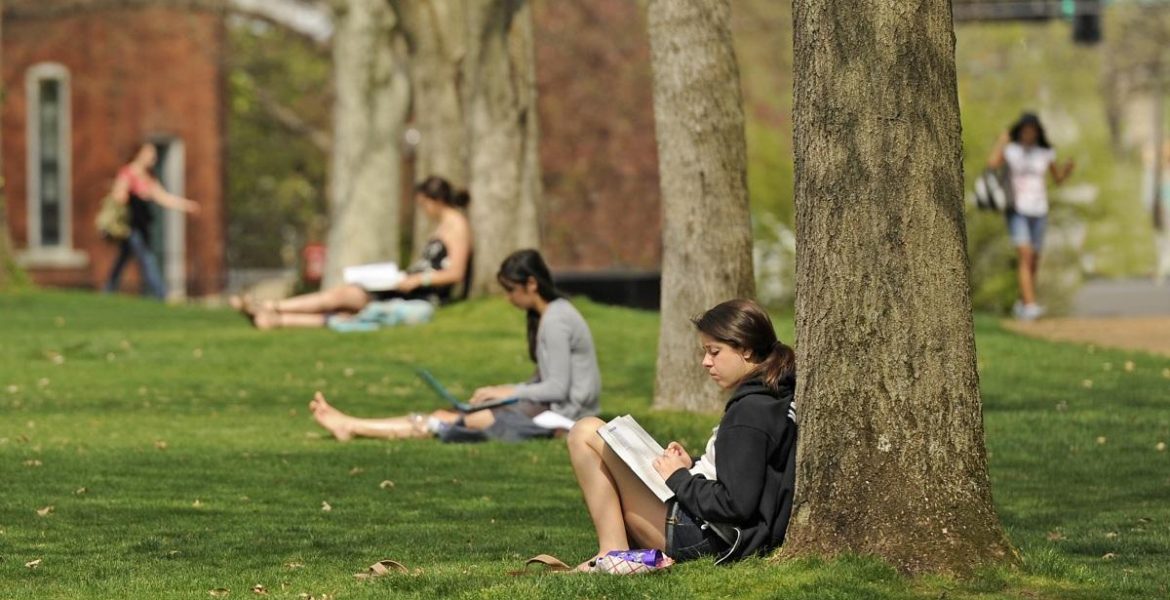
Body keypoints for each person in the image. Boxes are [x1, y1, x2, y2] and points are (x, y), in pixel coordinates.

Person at [566, 299, 797, 568]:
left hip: (701, 533)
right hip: (707, 524)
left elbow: (735, 505)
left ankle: (612, 551)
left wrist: (678, 478)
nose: (705, 362)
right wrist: (691, 465)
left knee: (585, 432)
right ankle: (615, 548)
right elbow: (746, 471)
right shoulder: (774, 396)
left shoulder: (750, 412)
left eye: (714, 352)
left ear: (745, 349)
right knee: (602, 435)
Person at [309, 249, 601, 442]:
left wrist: (509, 393)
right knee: (457, 414)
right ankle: (353, 425)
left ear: (532, 284)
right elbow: (546, 383)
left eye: (511, 290)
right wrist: (504, 394)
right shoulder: (549, 315)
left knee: (451, 420)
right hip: (546, 410)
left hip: (562, 419)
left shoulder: (556, 320)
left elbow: (557, 388)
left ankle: (353, 425)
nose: (508, 298)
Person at [233, 176, 472, 329]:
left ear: (435, 200)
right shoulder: (443, 226)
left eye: (423, 204)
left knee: (344, 297)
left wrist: (418, 280)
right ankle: (275, 317)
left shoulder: (457, 226)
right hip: (405, 285)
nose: (423, 210)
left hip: (422, 293)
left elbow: (456, 272)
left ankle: (273, 308)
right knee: (346, 300)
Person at [987, 113, 1075, 320]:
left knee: (1034, 259)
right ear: (1019, 131)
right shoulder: (1012, 150)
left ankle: (1023, 302)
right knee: (1025, 256)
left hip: (1039, 209)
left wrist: (1066, 171)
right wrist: (1002, 141)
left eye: (1032, 131)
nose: (1028, 134)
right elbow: (992, 164)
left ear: (1037, 132)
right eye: (1025, 130)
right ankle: (1030, 305)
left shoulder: (1044, 152)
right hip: (1017, 209)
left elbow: (1057, 179)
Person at [103, 142, 200, 299]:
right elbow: (118, 195)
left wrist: (186, 205)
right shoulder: (128, 173)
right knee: (147, 257)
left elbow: (164, 197)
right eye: (149, 153)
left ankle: (108, 289)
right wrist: (126, 195)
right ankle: (161, 293)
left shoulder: (149, 177)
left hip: (144, 225)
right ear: (139, 154)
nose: (153, 157)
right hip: (131, 226)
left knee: (124, 258)